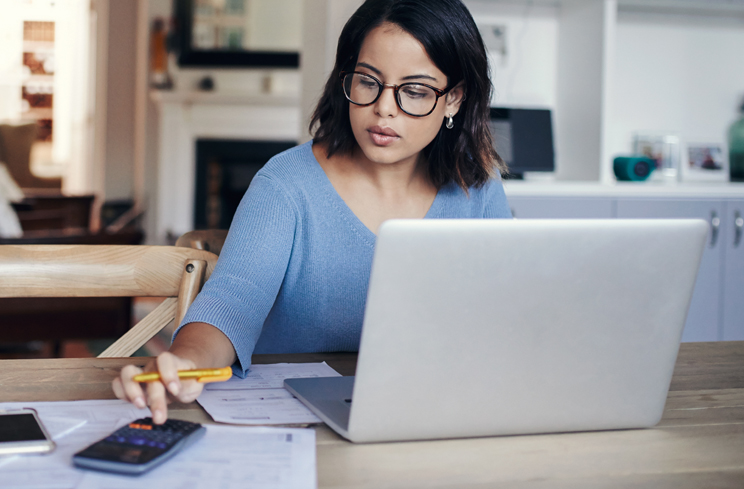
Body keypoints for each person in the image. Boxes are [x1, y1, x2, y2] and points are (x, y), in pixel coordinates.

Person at [113, 0, 512, 423]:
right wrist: (186, 363)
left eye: (414, 90)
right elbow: (233, 300)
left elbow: (506, 316)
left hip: (427, 415)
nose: (384, 108)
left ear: (454, 99)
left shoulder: (479, 189)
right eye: (368, 81)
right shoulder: (285, 184)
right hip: (291, 421)